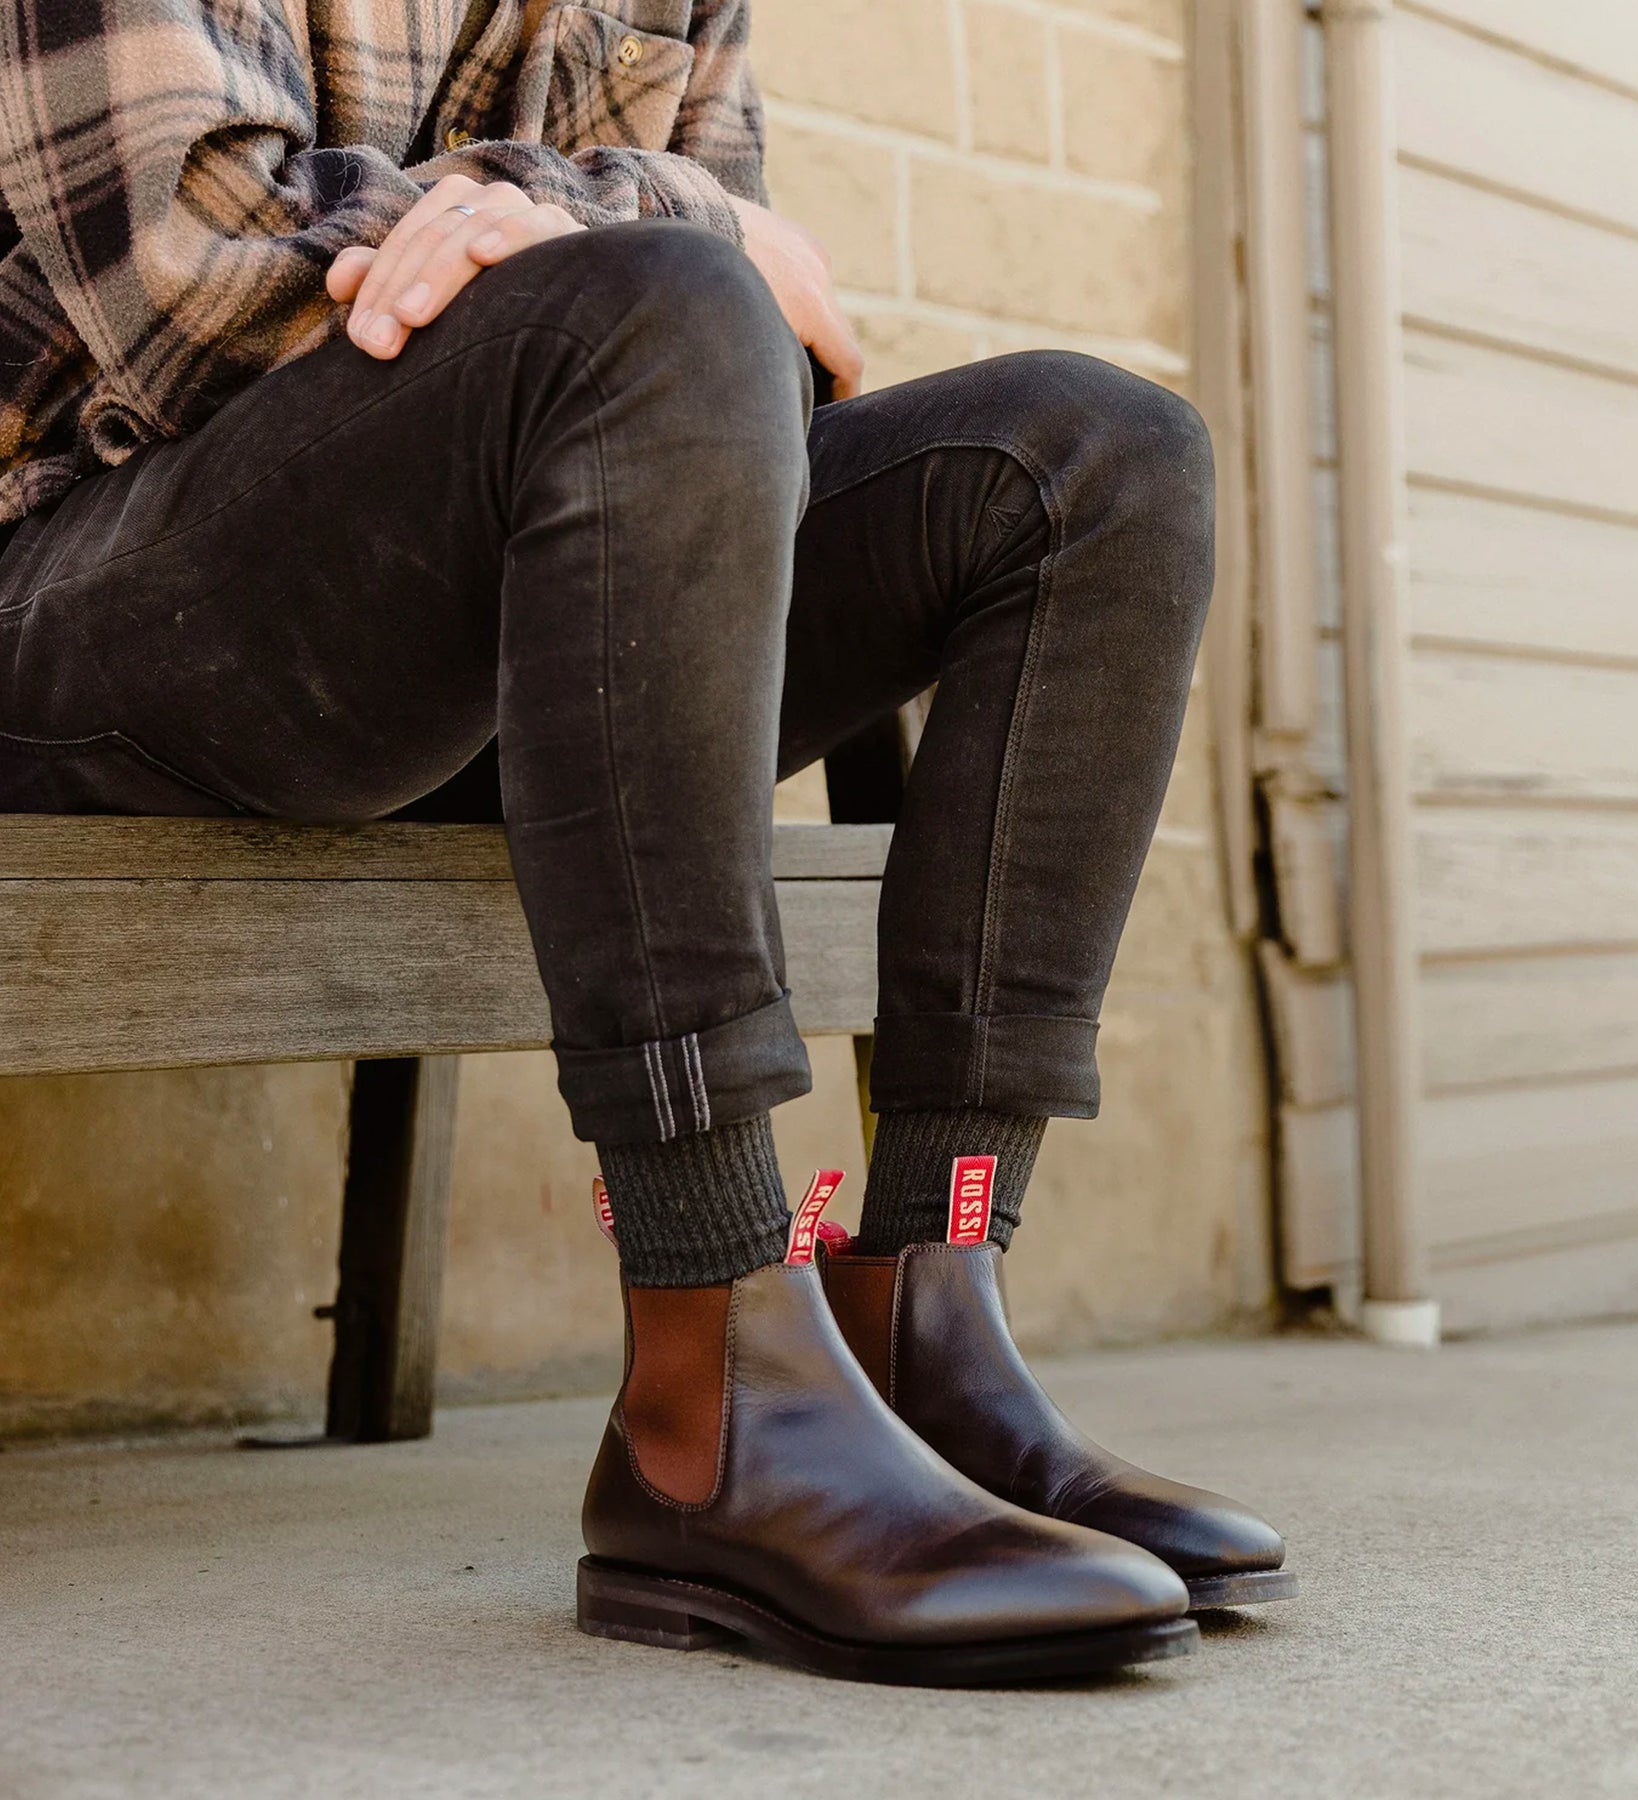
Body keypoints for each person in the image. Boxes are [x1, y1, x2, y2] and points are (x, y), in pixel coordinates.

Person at [0, 0, 1292, 1684]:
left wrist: (592, 231)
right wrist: (638, 220)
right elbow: (198, 280)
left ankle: (928, 1325)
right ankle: (711, 1391)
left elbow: (782, 364)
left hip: (516, 600)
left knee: (1098, 461)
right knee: (652, 309)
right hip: (112, 585)